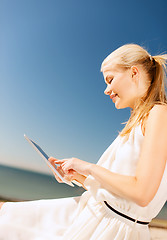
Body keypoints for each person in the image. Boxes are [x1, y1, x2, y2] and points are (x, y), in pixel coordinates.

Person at [0, 43, 167, 240]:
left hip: (112, 230)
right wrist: (76, 176)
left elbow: (142, 193)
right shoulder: (137, 121)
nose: (106, 90)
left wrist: (87, 167)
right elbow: (116, 194)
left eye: (110, 79)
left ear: (134, 73)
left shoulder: (159, 113)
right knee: (9, 216)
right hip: (98, 216)